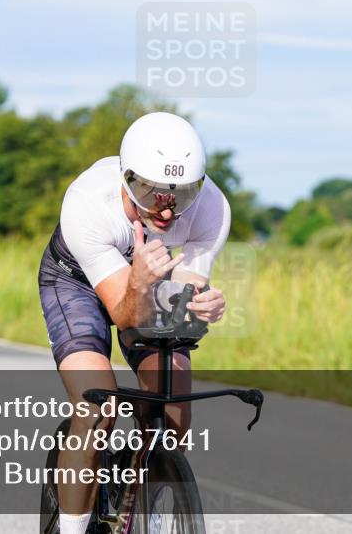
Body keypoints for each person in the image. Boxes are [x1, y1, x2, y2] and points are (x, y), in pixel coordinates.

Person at [38, 111, 231, 534]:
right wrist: (140, 282)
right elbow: (123, 313)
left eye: (182, 194)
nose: (167, 210)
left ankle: (145, 511)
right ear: (127, 178)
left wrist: (202, 304)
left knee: (173, 414)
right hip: (76, 283)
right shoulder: (88, 204)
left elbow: (184, 296)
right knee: (98, 407)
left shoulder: (212, 208)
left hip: (151, 282)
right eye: (152, 192)